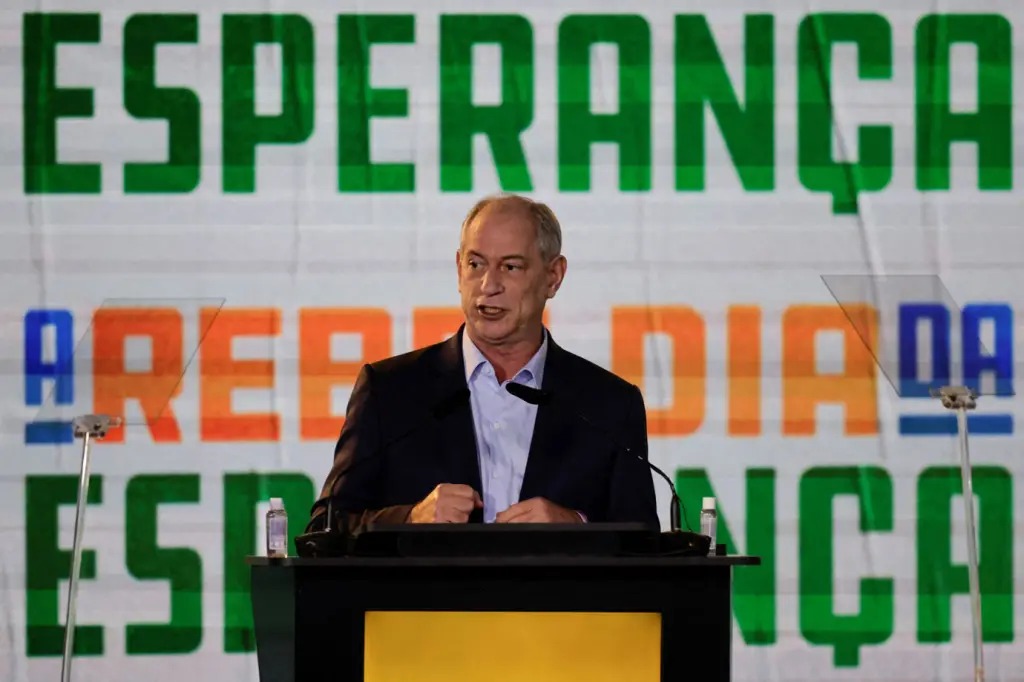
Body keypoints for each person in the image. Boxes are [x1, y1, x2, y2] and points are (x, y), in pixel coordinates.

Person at [305, 194, 658, 533]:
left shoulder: (608, 405)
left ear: (553, 276)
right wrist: (410, 518)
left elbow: (644, 544)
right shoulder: (390, 391)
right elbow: (325, 529)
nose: (489, 285)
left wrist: (578, 527)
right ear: (459, 269)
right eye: (475, 265)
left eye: (511, 267)